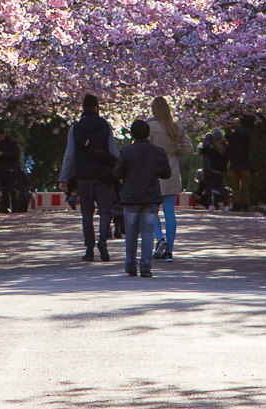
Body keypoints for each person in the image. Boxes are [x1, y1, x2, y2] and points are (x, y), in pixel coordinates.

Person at [60, 95, 118, 262]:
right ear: (96, 108)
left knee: (87, 213)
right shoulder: (105, 126)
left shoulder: (75, 129)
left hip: (84, 177)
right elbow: (113, 151)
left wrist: (63, 177)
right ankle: (103, 242)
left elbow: (69, 155)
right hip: (104, 177)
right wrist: (120, 172)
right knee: (105, 211)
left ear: (83, 108)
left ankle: (89, 248)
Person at [115, 119, 172, 278]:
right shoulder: (158, 152)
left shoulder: (126, 152)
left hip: (131, 196)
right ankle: (146, 266)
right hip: (150, 196)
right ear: (148, 134)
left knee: (131, 234)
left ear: (132, 134)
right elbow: (166, 173)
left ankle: (130, 264)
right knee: (148, 232)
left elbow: (117, 173)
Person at [149, 96, 186, 259]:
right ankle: (169, 250)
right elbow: (188, 147)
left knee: (152, 210)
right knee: (169, 212)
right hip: (171, 168)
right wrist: (175, 153)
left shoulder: (150, 127)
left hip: (154, 170)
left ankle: (160, 239)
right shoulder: (176, 127)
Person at [0, 128, 29, 214]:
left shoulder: (12, 142)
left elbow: (15, 155)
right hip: (2, 169)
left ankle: (14, 208)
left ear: (3, 135)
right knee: (4, 189)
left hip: (11, 168)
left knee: (11, 189)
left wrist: (3, 154)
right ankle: (5, 207)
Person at [198, 130, 229, 208]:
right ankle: (226, 205)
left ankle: (210, 205)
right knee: (221, 187)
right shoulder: (225, 146)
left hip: (211, 170)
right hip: (220, 171)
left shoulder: (211, 147)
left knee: (208, 187)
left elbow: (203, 152)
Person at [229, 120, 254, 210]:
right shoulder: (232, 135)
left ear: (240, 124)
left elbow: (249, 139)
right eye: (234, 124)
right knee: (235, 185)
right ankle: (237, 204)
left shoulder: (245, 133)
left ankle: (245, 203)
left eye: (237, 124)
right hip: (234, 163)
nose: (235, 125)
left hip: (244, 163)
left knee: (244, 185)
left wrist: (240, 131)